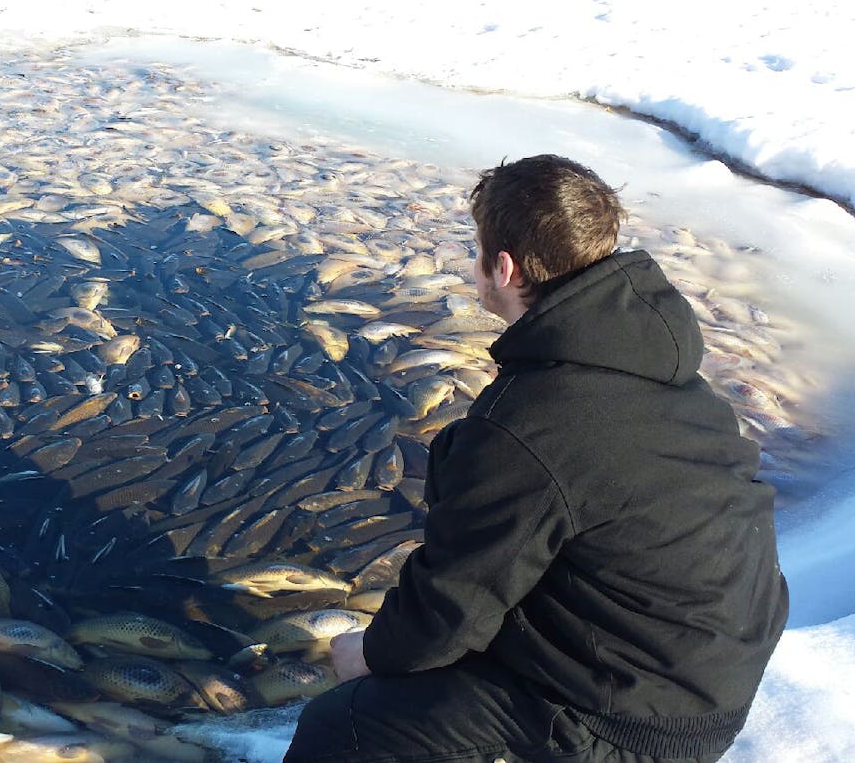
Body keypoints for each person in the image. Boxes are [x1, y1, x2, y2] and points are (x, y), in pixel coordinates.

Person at [284, 154, 788, 763]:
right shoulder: (657, 363)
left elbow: (449, 606)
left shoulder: (529, 422)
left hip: (633, 723)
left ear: (503, 267)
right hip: (707, 675)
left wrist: (369, 654)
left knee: (347, 727)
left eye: (477, 253)